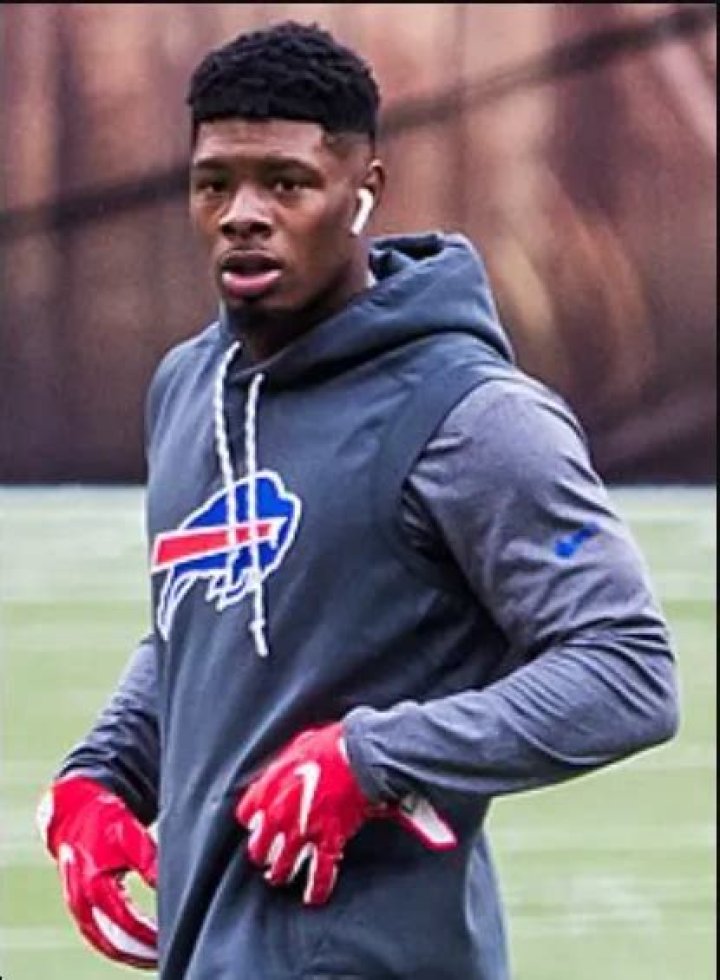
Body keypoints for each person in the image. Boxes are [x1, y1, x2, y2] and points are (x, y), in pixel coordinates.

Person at [36, 20, 680, 980]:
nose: (242, 215)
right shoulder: (187, 386)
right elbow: (200, 621)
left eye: (286, 184)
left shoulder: (473, 417)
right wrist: (102, 776)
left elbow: (627, 671)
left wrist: (369, 759)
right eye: (214, 184)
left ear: (363, 191)